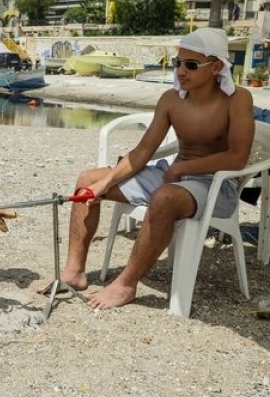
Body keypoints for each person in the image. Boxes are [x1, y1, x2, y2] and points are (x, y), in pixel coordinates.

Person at [59, 27, 255, 310]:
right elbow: (142, 152)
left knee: (164, 198)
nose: (181, 71)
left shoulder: (238, 100)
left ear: (216, 67)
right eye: (178, 63)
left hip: (215, 185)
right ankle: (74, 272)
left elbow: (237, 157)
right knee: (87, 180)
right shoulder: (171, 100)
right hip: (173, 176)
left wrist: (183, 169)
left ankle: (126, 284)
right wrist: (103, 184)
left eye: (191, 65)